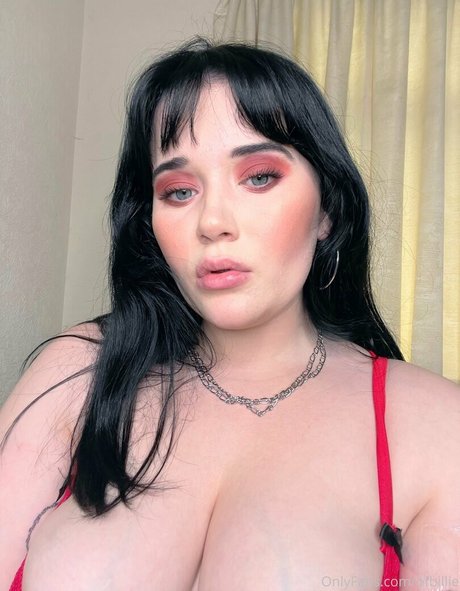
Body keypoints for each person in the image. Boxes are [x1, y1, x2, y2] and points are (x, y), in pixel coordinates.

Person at [1, 37, 459, 591]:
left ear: (328, 212)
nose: (213, 222)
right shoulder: (76, 371)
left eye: (259, 177)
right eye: (178, 191)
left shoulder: (438, 425)